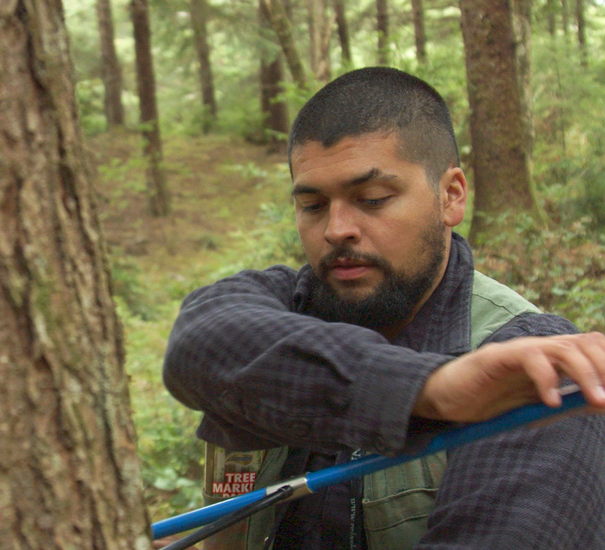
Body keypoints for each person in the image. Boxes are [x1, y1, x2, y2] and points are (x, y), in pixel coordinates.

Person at [162, 67, 605, 550]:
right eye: (312, 205)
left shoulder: (536, 369)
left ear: (450, 196)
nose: (337, 229)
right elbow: (197, 344)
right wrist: (430, 389)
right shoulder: (281, 303)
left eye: (372, 199)